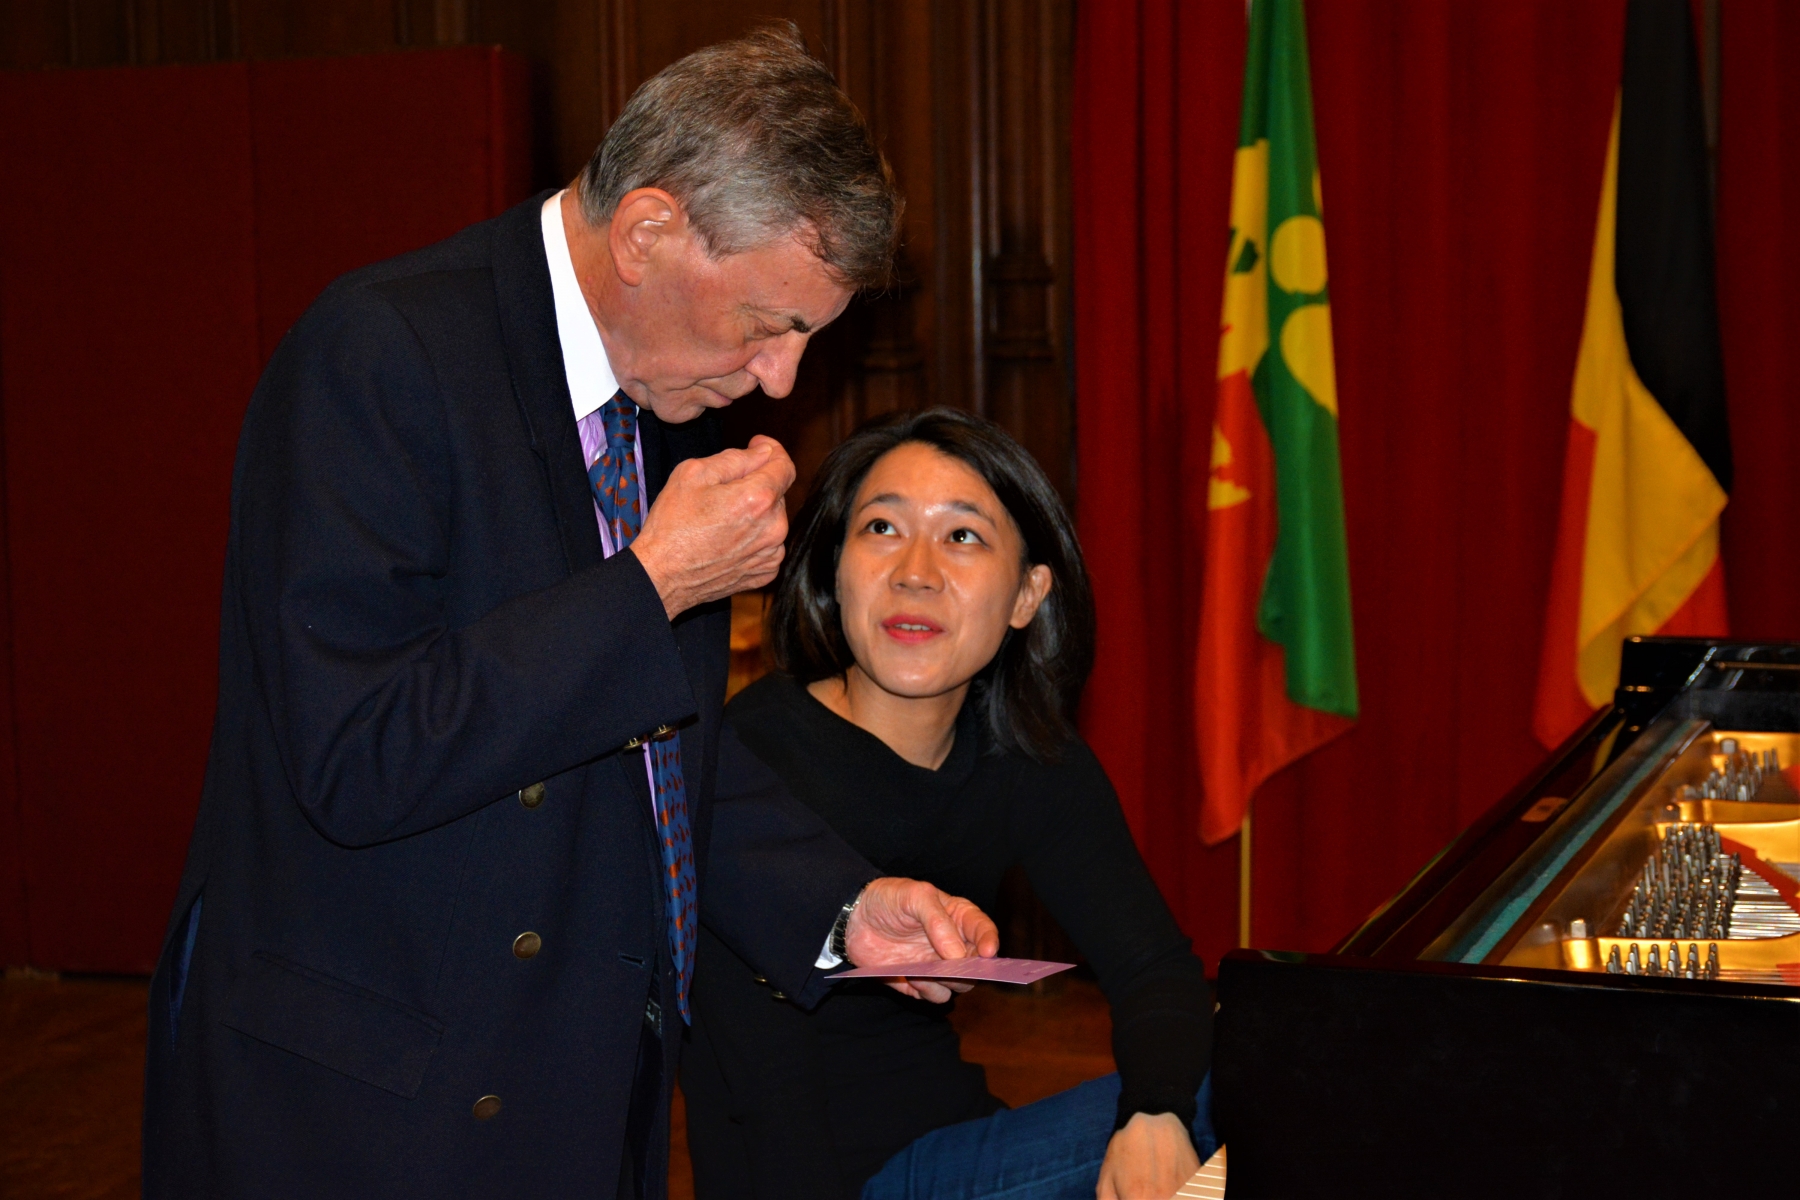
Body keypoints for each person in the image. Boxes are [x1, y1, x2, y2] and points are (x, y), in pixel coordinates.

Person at [141, 28, 999, 1200]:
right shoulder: (383, 352)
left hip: (574, 1091)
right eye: (767, 323)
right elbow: (356, 753)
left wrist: (841, 906)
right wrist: (652, 586)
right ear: (646, 232)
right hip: (366, 1108)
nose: (783, 379)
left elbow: (655, 757)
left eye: (807, 335)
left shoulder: (670, 385)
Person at [683, 408, 1216, 1200]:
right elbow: (759, 1088)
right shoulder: (750, 760)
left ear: (1027, 594)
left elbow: (1154, 969)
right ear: (833, 571)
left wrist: (1158, 1112)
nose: (917, 572)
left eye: (963, 536)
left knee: (1242, 1073)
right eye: (882, 528)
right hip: (818, 1178)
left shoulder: (1025, 756)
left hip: (954, 1149)